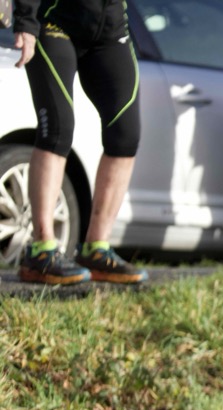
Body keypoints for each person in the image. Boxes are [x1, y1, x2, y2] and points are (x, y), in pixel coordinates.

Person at [12, 0, 147, 285]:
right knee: (57, 130)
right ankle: (41, 249)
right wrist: (25, 21)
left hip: (109, 28)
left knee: (125, 134)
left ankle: (96, 249)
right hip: (55, 21)